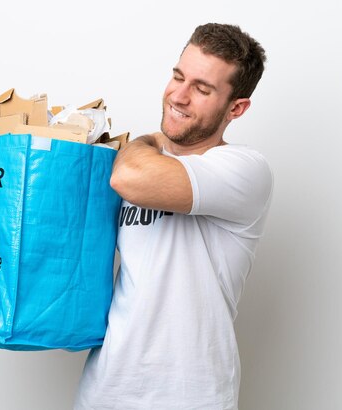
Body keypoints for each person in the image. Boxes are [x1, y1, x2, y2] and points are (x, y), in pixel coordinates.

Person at [74, 23, 273, 410]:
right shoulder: (144, 161)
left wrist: (147, 140)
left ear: (237, 107)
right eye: (177, 76)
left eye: (201, 89)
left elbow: (129, 176)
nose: (178, 96)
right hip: (103, 393)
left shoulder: (245, 170)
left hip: (190, 398)